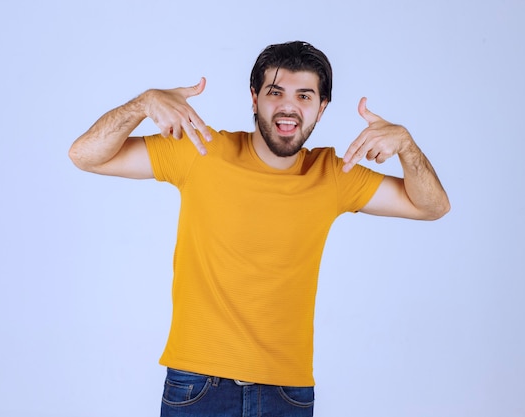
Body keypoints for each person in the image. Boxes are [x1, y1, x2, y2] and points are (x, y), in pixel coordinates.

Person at [69, 40, 450, 417]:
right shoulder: (201, 151)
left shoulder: (334, 174)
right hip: (198, 384)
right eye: (275, 92)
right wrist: (143, 103)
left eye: (304, 96)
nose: (289, 106)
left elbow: (432, 206)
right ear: (254, 99)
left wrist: (405, 145)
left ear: (321, 108)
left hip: (287, 392)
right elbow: (84, 154)